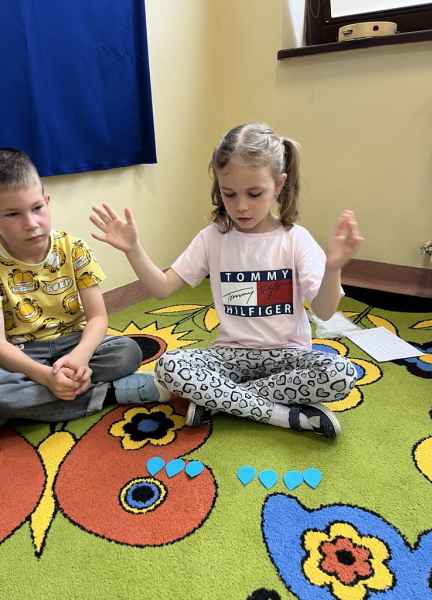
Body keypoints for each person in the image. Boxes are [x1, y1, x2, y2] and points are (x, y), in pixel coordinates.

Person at [90, 123, 363, 438]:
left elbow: (325, 311)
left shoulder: (295, 239)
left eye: (255, 194)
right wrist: (133, 250)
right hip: (230, 357)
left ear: (279, 184)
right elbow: (162, 288)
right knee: (169, 366)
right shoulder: (213, 237)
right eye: (229, 194)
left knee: (340, 373)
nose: (241, 206)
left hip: (288, 355)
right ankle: (285, 416)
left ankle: (217, 400)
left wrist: (333, 268)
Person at [0, 148, 161, 428]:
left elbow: (98, 317)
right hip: (22, 355)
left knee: (127, 351)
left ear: (47, 202)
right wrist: (45, 376)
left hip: (73, 343)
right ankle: (108, 393)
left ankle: (42, 400)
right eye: (12, 214)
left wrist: (80, 357)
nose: (31, 224)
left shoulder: (73, 248)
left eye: (37, 208)